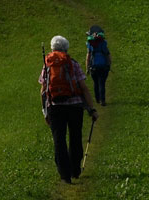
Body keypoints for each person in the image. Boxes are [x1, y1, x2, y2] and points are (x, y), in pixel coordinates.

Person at [39, 34, 98, 184]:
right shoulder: (73, 64)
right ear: (66, 48)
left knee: (59, 140)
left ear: (52, 48)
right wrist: (91, 109)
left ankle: (65, 175)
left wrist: (45, 112)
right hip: (75, 106)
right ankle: (75, 170)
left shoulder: (47, 65)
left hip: (55, 107)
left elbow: (43, 91)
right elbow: (83, 88)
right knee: (75, 137)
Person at [85, 26, 112, 106]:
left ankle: (97, 99)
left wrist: (87, 68)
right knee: (102, 83)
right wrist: (109, 64)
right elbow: (108, 55)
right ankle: (102, 100)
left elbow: (88, 57)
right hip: (103, 67)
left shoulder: (90, 45)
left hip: (93, 67)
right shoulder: (103, 43)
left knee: (96, 83)